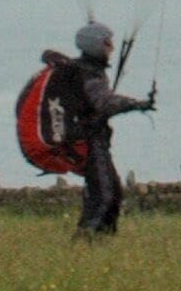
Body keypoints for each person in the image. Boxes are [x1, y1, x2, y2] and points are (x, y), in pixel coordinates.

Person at [52, 21, 155, 237]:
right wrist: (137, 104)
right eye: (108, 43)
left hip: (89, 138)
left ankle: (100, 245)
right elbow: (103, 102)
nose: (112, 48)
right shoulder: (87, 74)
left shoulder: (85, 69)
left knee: (109, 192)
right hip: (89, 140)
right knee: (105, 195)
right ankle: (87, 244)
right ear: (96, 45)